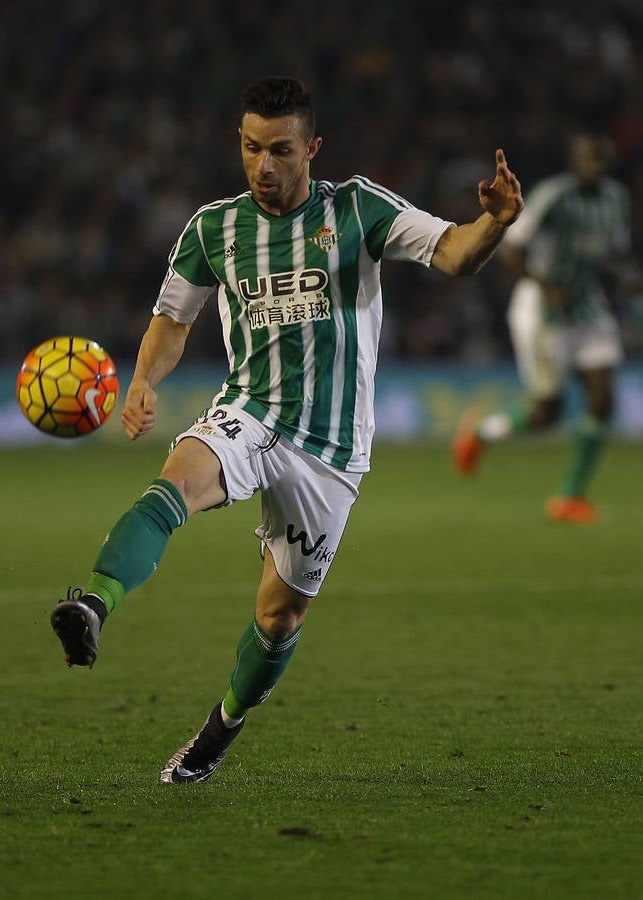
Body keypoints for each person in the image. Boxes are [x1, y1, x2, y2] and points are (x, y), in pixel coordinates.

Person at [51, 77, 523, 783]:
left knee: (278, 619)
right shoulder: (213, 228)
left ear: (312, 149)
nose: (261, 165)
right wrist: (144, 379)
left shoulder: (357, 208)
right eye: (250, 148)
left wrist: (495, 223)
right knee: (175, 483)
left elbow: (455, 254)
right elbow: (171, 321)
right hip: (250, 411)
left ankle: (220, 728)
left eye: (278, 150)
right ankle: (92, 604)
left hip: (331, 450)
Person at [451, 133, 632, 524]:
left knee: (603, 400)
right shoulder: (554, 196)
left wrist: (627, 278)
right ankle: (481, 431)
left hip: (587, 308)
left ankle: (570, 495)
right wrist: (546, 288)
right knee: (547, 413)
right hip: (542, 310)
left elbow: (613, 254)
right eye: (587, 159)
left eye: (599, 160)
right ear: (575, 161)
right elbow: (511, 248)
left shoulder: (616, 200)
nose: (593, 166)